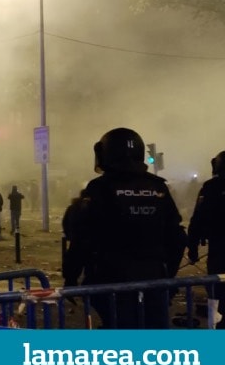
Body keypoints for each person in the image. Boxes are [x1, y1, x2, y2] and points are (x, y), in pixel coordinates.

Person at [62, 127, 187, 329]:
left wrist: (71, 275)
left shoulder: (99, 188)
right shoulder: (157, 187)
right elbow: (177, 237)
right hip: (154, 279)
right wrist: (167, 276)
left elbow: (83, 237)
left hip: (110, 278)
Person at [187, 150, 225, 329]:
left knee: (216, 298)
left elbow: (197, 220)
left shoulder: (211, 187)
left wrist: (192, 248)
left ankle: (216, 333)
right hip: (218, 249)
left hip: (219, 253)